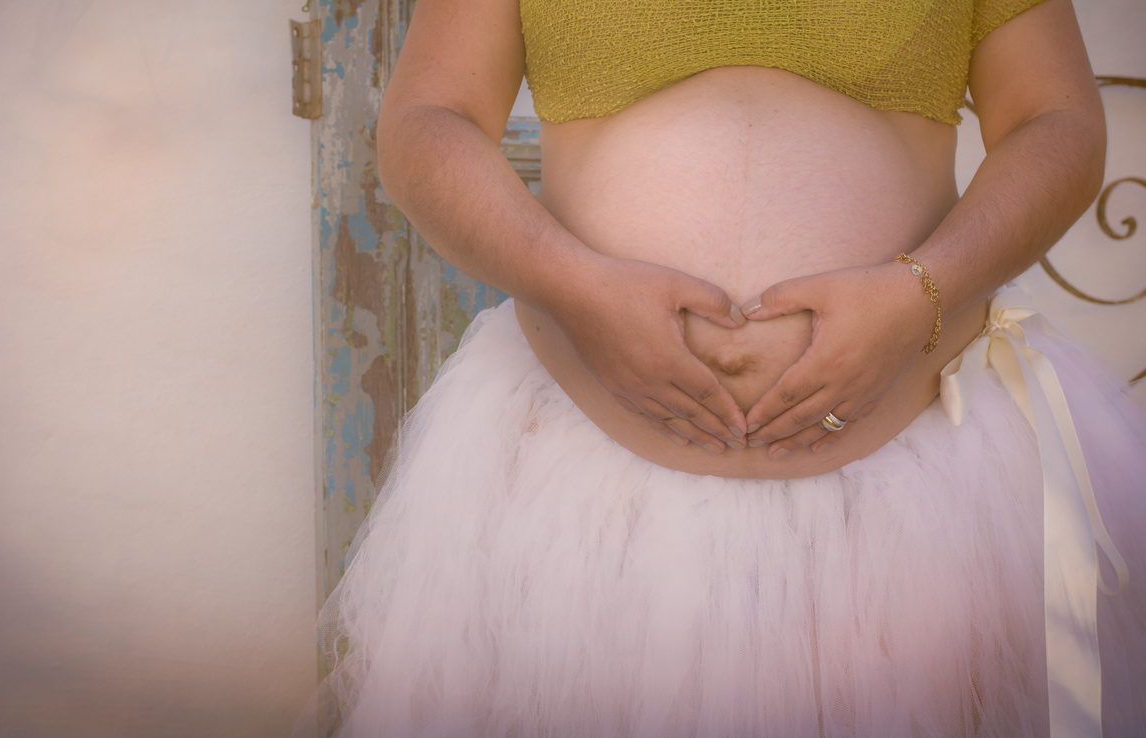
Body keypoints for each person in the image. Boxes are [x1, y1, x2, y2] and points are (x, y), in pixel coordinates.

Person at [301, 0, 1146, 735]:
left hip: (934, 475)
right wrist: (575, 287)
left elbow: (1054, 120)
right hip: (576, 496)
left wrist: (919, 293)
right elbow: (429, 119)